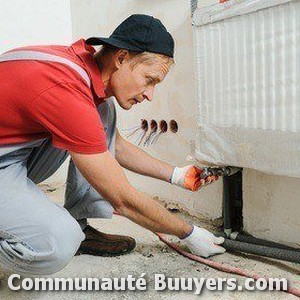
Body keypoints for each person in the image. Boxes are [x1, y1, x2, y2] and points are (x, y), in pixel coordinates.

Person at [0, 14, 225, 276]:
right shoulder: (65, 88)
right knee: (58, 242)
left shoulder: (83, 76)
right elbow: (122, 200)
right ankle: (66, 233)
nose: (150, 95)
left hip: (11, 154)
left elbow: (112, 144)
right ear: (121, 58)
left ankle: (80, 227)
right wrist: (188, 232)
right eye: (150, 80)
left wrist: (176, 175)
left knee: (103, 112)